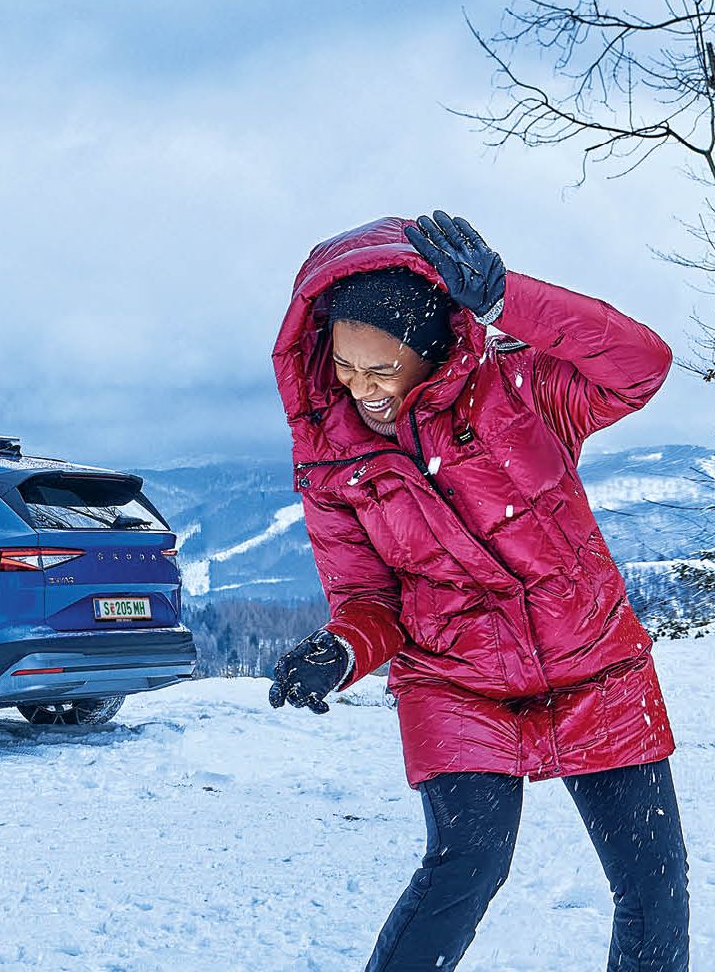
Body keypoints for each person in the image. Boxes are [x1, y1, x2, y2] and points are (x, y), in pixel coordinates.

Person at [267, 212, 689, 972]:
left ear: (429, 349)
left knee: (652, 880)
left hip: (596, 662)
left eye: (381, 370)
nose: (361, 389)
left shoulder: (522, 390)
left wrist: (509, 299)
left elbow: (642, 365)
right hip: (455, 678)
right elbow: (369, 597)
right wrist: (342, 649)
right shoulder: (330, 458)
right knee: (467, 865)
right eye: (344, 367)